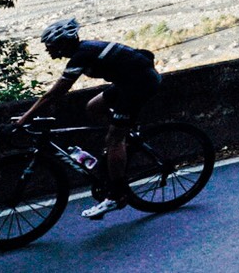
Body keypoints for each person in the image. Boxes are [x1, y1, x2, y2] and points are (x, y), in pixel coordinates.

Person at [14, 19, 161, 220]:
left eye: (50, 45)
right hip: (128, 81)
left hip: (139, 84)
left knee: (114, 139)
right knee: (93, 107)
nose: (47, 50)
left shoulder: (82, 55)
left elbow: (53, 95)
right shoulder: (82, 50)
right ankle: (122, 134)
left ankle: (116, 196)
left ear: (62, 43)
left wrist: (22, 120)